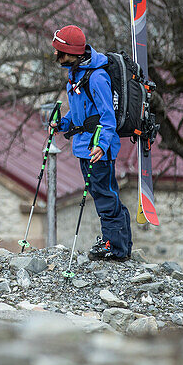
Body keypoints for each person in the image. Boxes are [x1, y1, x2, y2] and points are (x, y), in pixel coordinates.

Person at [50, 25, 132, 261]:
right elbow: (80, 116)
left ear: (70, 53)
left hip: (97, 149)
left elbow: (108, 117)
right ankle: (118, 243)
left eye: (59, 51)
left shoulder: (96, 77)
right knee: (104, 192)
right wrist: (62, 125)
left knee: (105, 195)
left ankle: (115, 247)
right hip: (86, 146)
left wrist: (102, 145)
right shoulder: (76, 74)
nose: (55, 55)